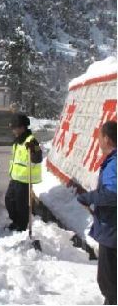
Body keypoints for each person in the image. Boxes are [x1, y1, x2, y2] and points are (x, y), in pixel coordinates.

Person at [77, 121, 116, 305]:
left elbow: (113, 194)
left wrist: (89, 197)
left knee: (109, 282)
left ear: (107, 139)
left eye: (99, 137)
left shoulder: (114, 163)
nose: (98, 141)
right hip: (111, 229)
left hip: (112, 231)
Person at [5, 113, 43, 231]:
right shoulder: (18, 140)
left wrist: (33, 151)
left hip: (25, 179)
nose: (13, 131)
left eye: (14, 128)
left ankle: (21, 226)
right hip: (15, 178)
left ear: (22, 127)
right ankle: (16, 221)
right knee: (9, 201)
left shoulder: (32, 141)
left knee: (21, 206)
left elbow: (38, 157)